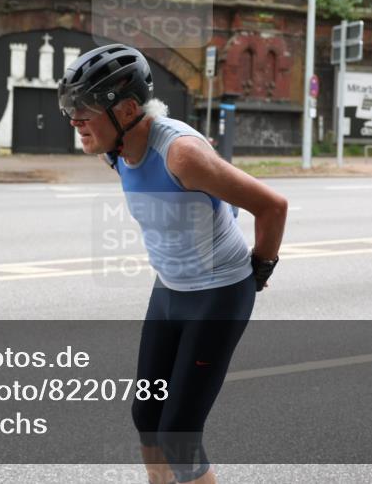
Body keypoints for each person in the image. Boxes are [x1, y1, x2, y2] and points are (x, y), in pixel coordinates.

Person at [58, 44, 288, 484]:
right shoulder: (116, 150)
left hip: (217, 295)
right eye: (71, 111)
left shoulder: (181, 154)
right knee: (147, 417)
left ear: (126, 110)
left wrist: (260, 269)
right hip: (170, 290)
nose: (74, 122)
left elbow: (273, 207)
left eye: (84, 112)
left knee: (179, 435)